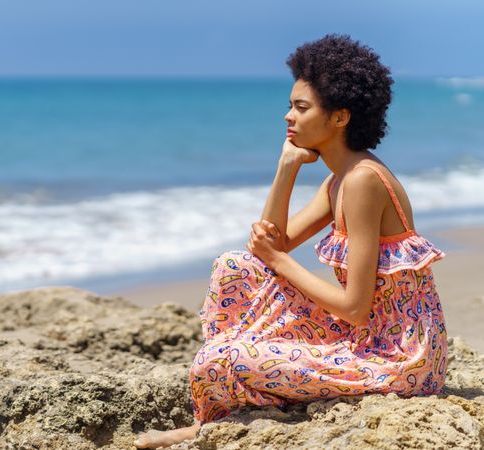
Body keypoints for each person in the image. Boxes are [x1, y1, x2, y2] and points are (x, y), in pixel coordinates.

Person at [134, 34, 448, 449]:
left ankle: (214, 424)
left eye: (301, 108)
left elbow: (354, 307)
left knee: (221, 361)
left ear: (340, 117)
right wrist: (287, 168)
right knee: (235, 269)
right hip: (365, 336)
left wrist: (278, 260)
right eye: (290, 106)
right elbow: (266, 247)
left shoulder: (362, 182)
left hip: (398, 358)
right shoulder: (339, 181)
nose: (288, 116)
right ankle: (226, 412)